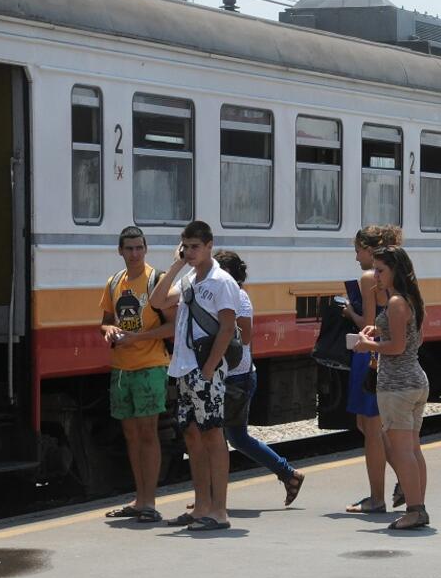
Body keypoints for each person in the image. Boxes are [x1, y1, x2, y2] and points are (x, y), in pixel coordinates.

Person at [150, 221, 241, 532]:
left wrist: (209, 368)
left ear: (209, 245)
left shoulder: (221, 281)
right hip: (184, 368)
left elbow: (228, 327)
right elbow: (157, 301)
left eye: (195, 247)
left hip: (206, 371)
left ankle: (219, 511)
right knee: (191, 434)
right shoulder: (189, 278)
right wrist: (176, 265)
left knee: (213, 435)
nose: (189, 252)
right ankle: (200, 505)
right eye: (185, 246)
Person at [215, 250, 305, 506]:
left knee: (222, 438)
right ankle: (289, 474)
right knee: (234, 437)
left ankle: (212, 496)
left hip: (235, 377)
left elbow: (244, 336)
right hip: (234, 376)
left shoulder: (239, 297)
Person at [100, 226, 176, 523]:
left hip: (150, 366)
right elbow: (105, 322)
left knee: (148, 433)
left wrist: (138, 339)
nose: (134, 253)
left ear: (145, 250)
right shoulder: (113, 283)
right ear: (120, 251)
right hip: (121, 368)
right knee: (131, 435)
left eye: (139, 248)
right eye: (129, 248)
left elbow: (172, 326)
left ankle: (150, 501)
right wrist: (110, 331)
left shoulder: (155, 281)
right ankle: (139, 498)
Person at [354, 246, 429, 530]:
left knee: (402, 452)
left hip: (398, 385)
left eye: (381, 270)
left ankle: (415, 509)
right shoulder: (412, 300)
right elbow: (411, 340)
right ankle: (419, 506)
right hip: (414, 380)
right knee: (412, 449)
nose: (377, 276)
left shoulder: (397, 302)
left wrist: (367, 344)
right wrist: (380, 331)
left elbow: (396, 348)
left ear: (396, 270)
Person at [343, 226, 403, 514]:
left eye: (358, 250)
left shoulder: (369, 278)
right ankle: (405, 479)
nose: (356, 257)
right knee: (370, 427)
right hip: (386, 354)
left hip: (368, 356)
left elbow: (366, 325)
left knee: (371, 429)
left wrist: (348, 313)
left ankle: (377, 497)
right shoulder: (395, 273)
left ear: (369, 249)